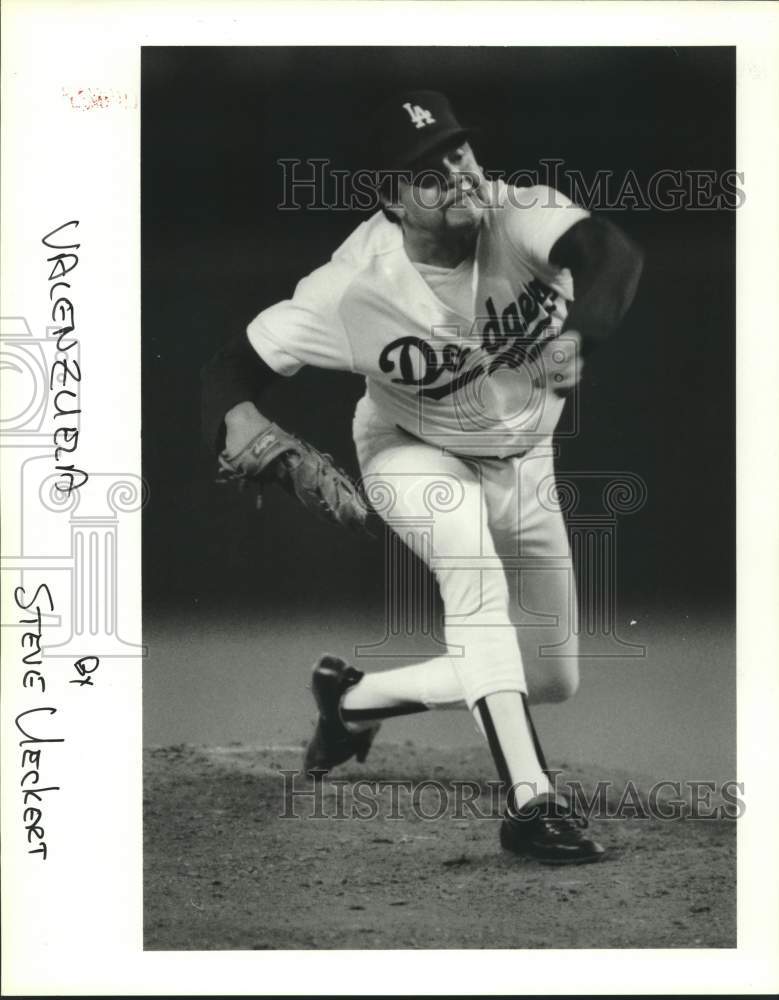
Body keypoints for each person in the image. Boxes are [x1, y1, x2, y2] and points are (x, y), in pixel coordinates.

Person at [202, 90, 644, 865]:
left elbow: (611, 254)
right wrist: (239, 420)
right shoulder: (352, 285)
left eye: (458, 153)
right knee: (470, 576)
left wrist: (579, 333)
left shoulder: (521, 211)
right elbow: (228, 370)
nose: (458, 176)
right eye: (428, 174)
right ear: (389, 200)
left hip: (525, 463)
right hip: (411, 452)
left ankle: (351, 703)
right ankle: (530, 806)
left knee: (549, 676)